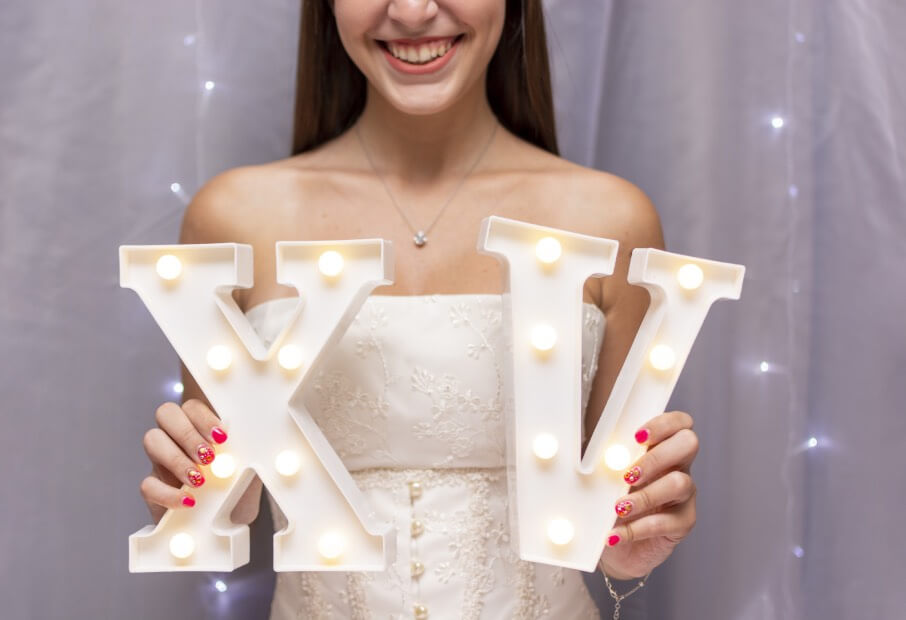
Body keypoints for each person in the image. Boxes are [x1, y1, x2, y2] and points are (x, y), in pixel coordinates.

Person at [138, 0, 699, 617]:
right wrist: (197, 496)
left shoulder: (611, 223)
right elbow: (219, 495)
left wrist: (629, 545)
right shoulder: (233, 217)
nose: (410, 11)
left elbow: (608, 521)